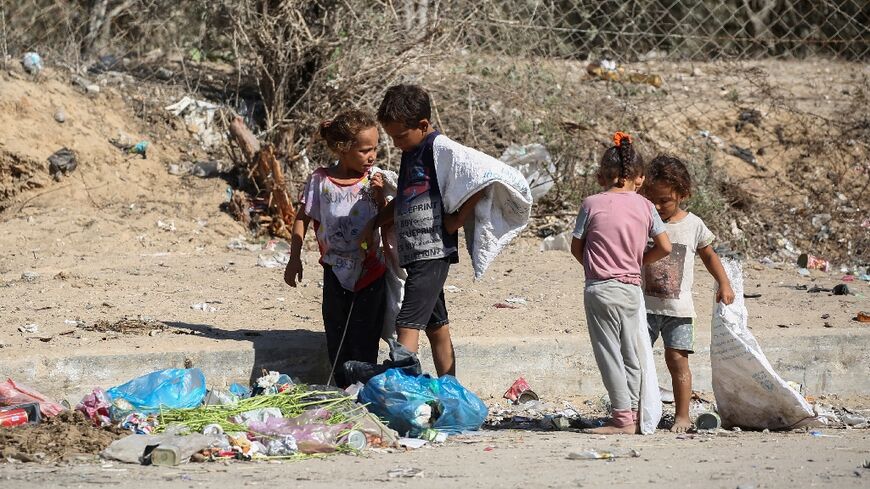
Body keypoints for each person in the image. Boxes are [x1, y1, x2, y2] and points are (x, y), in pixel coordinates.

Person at [369, 84, 483, 377]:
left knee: (406, 322)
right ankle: (451, 390)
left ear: (422, 125)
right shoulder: (411, 151)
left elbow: (482, 179)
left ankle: (402, 394)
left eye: (400, 136)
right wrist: (372, 224)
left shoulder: (440, 148)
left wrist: (455, 220)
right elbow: (405, 200)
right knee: (436, 326)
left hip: (432, 251)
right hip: (415, 253)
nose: (395, 144)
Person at [570, 132, 672, 434]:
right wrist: (636, 262)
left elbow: (577, 246)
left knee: (608, 353)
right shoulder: (645, 206)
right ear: (638, 178)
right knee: (631, 352)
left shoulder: (591, 204)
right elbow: (665, 247)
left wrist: (595, 266)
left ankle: (622, 419)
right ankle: (637, 416)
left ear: (603, 176)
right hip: (630, 290)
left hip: (599, 288)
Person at [283, 109, 392, 388]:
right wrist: (294, 259)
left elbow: (389, 216)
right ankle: (343, 389)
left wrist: (381, 196)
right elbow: (302, 218)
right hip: (334, 271)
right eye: (365, 150)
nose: (372, 156)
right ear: (343, 150)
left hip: (370, 271)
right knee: (337, 333)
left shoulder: (374, 179)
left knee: (365, 336)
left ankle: (363, 390)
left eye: (375, 148)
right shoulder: (320, 182)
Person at [641, 155, 735, 433]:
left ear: (683, 195)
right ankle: (638, 413)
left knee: (677, 360)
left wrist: (724, 284)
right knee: (637, 360)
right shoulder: (644, 220)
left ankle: (682, 415)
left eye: (665, 201)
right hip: (643, 307)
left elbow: (709, 255)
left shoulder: (693, 225)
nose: (657, 207)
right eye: (652, 199)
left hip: (679, 311)